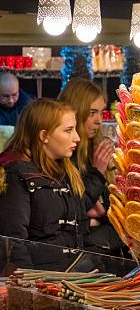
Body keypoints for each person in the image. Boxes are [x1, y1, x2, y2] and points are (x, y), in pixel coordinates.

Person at [0, 99, 88, 272]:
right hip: (40, 282)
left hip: (71, 277)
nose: (77, 137)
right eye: (68, 130)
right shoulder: (14, 173)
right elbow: (13, 242)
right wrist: (29, 288)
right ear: (44, 136)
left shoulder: (66, 171)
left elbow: (81, 231)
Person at [58, 79, 122, 256]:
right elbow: (73, 210)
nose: (99, 120)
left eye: (101, 112)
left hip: (107, 246)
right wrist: (98, 172)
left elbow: (108, 208)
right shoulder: (62, 155)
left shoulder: (98, 148)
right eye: (92, 112)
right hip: (79, 251)